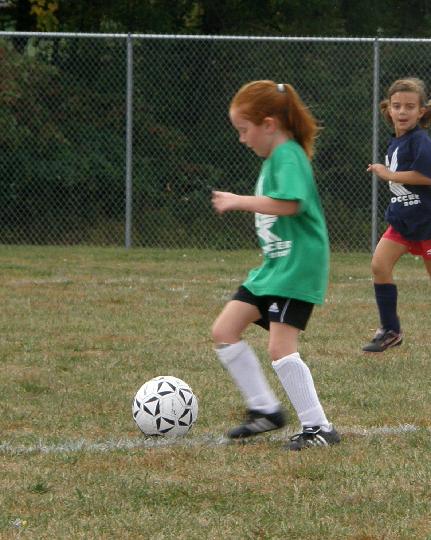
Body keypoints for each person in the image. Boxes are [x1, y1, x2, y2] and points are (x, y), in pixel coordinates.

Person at [211, 80, 340, 451]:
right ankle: (266, 410)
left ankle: (319, 427)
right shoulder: (274, 159)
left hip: (297, 267)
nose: (242, 138)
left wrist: (239, 201)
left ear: (268, 124)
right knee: (225, 330)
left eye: (244, 129)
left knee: (280, 347)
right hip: (274, 267)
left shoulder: (288, 155)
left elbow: (291, 204)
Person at [363, 78, 431, 353]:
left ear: (421, 111)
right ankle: (390, 330)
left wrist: (389, 174)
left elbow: (426, 176)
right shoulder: (397, 141)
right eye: (397, 106)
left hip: (427, 223)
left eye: (410, 106)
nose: (403, 111)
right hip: (403, 220)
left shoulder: (420, 140)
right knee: (379, 265)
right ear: (388, 109)